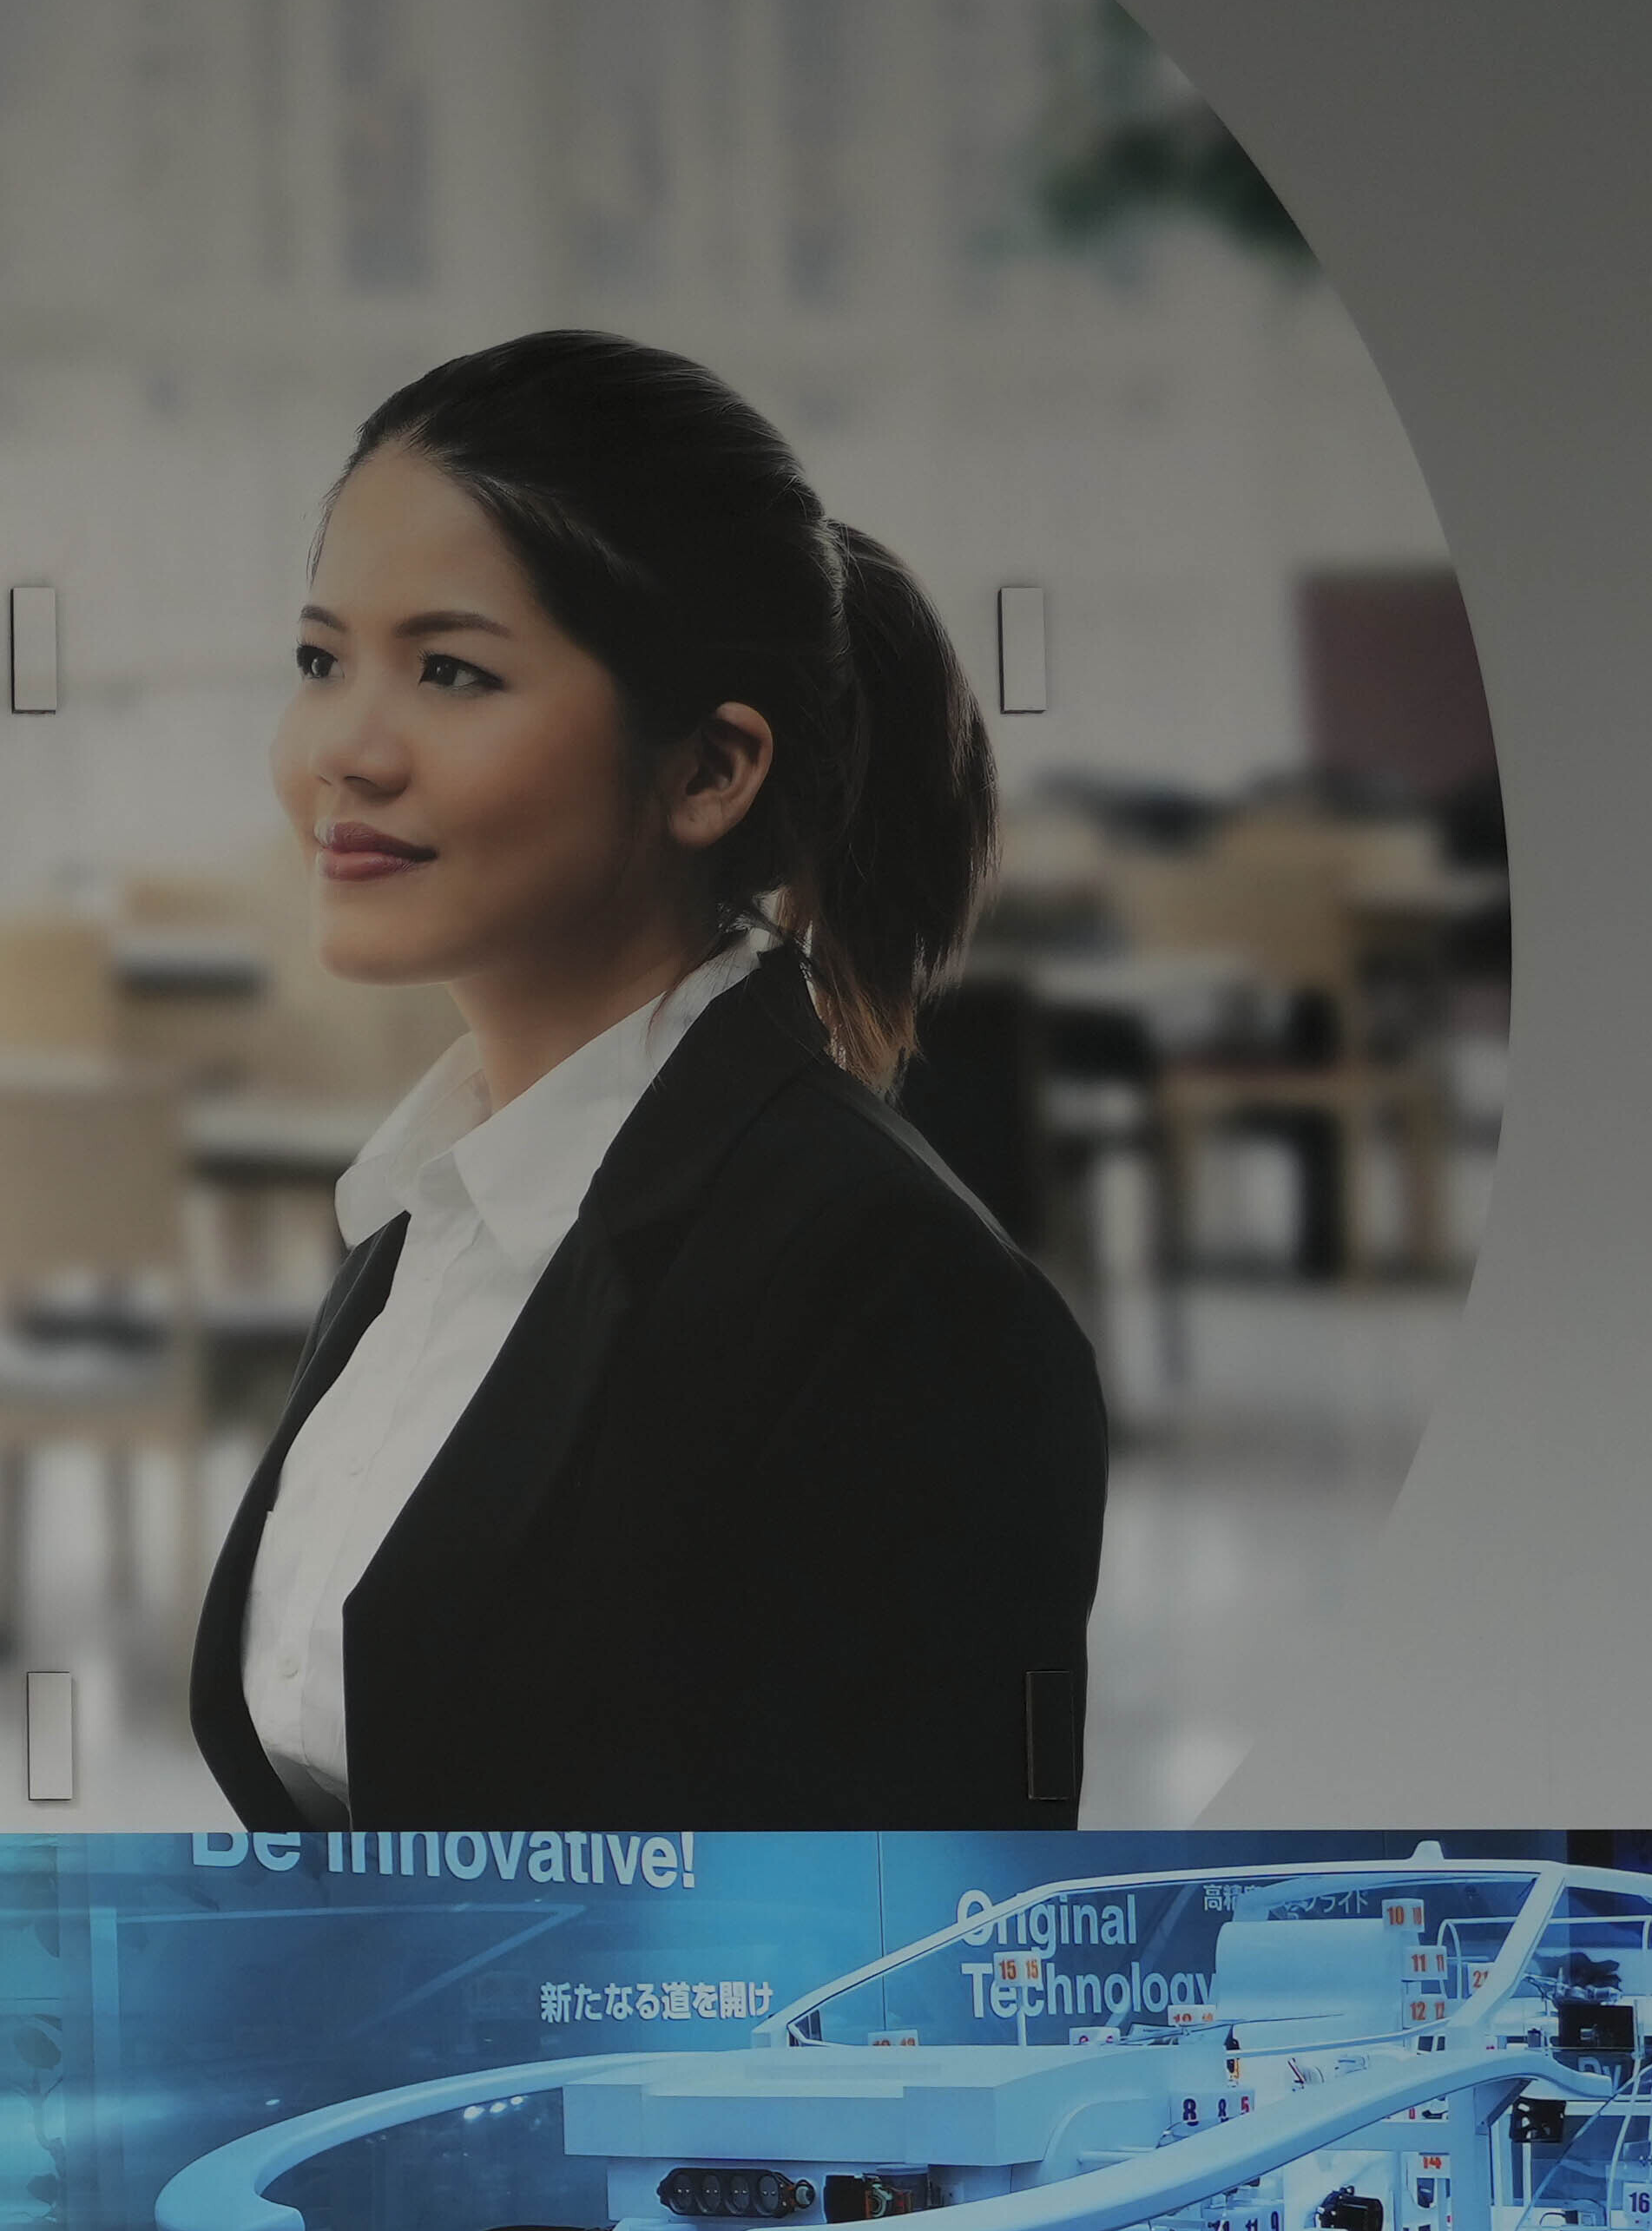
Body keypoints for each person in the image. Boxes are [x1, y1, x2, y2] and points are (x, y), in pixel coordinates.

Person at [188, 327, 1108, 1833]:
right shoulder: (423, 1225)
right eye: (318, 659)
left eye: (450, 670)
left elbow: (900, 1962)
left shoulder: (895, 1299)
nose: (341, 751)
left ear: (708, 773)